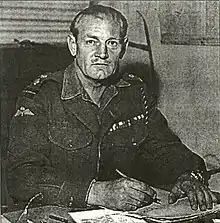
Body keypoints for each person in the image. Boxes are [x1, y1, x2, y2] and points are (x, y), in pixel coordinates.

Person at [6, 4, 217, 212]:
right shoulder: (40, 97)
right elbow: (21, 178)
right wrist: (96, 192)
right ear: (73, 45)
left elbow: (164, 147)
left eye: (112, 43)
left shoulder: (133, 92)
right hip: (56, 212)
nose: (102, 53)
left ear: (123, 48)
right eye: (91, 42)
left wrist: (187, 176)